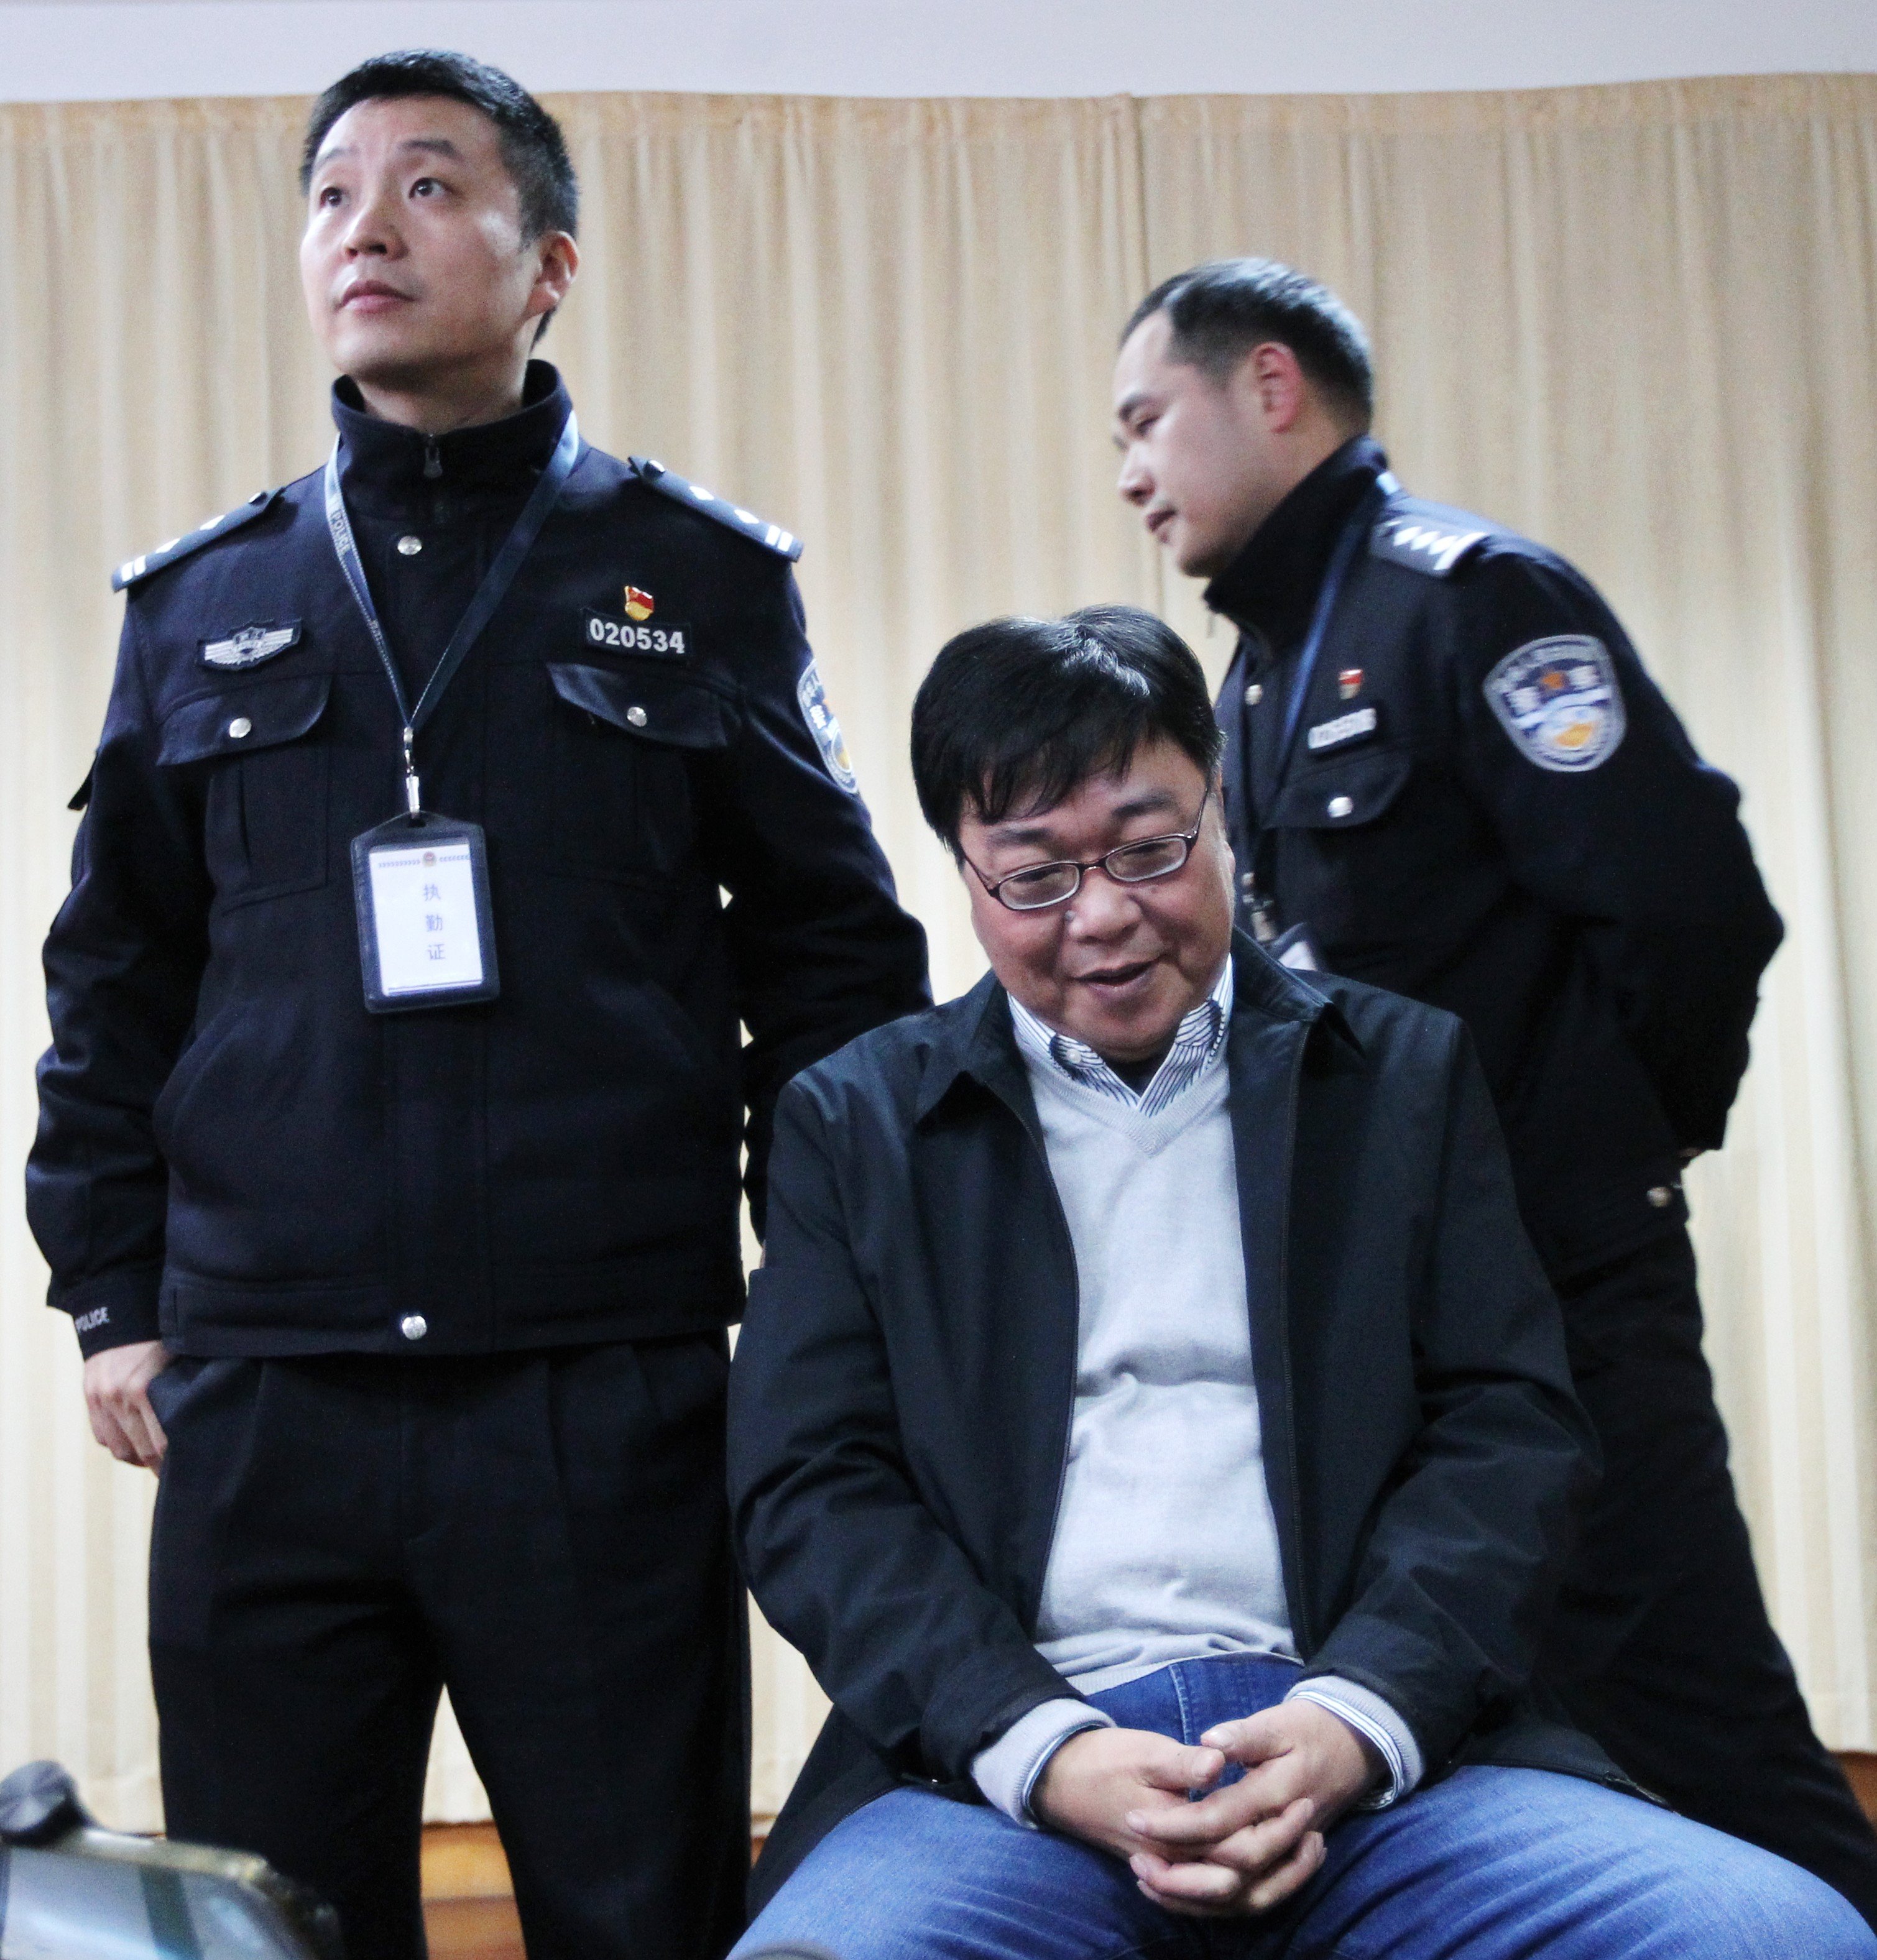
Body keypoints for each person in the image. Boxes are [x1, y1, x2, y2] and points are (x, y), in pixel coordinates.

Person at [27, 49, 928, 1960]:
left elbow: (833, 961)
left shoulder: (692, 580)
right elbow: (113, 974)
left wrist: (826, 1294)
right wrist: (115, 1292)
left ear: (548, 264)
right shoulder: (204, 598)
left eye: (430, 185)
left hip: (600, 1387)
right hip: (269, 1394)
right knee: (282, 1927)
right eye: (333, 192)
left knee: (641, 1913)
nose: (366, 224)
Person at [723, 605, 1875, 1960]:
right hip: (1006, 1781)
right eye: (1033, 876)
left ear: (1222, 817)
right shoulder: (856, 1124)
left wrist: (1358, 1714)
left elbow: (1508, 1430)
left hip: (1385, 1760)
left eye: (1148, 849)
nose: (1100, 916)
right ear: (964, 874)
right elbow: (813, 1487)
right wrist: (1040, 1744)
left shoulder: (1399, 1076)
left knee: (1776, 1935)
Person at [1109, 255, 1877, 1925]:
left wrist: (1600, 1161)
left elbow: (1686, 910)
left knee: (1685, 1703)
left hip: (1555, 1291)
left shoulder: (1463, 600)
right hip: (1386, 1322)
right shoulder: (1253, 677)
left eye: (1145, 417)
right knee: (1486, 1737)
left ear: (1269, 389)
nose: (1128, 470)